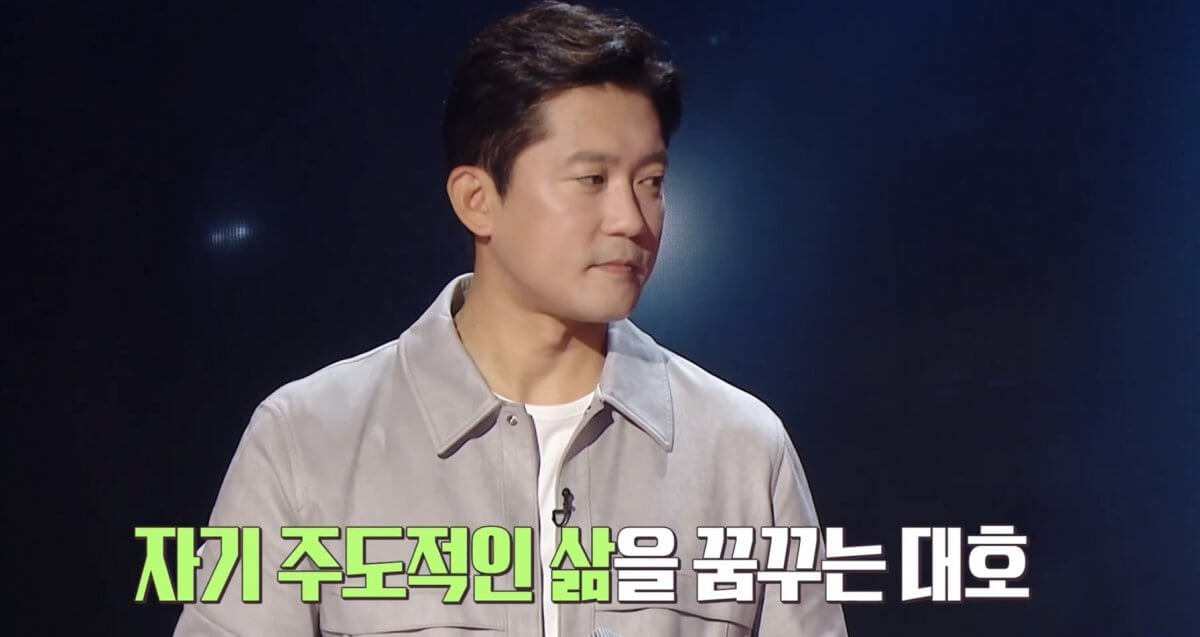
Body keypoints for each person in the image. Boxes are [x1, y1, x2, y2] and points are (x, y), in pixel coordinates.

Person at [175, 1, 848, 635]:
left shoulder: (741, 450)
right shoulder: (307, 441)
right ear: (477, 199)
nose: (631, 219)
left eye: (650, 182)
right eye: (592, 180)